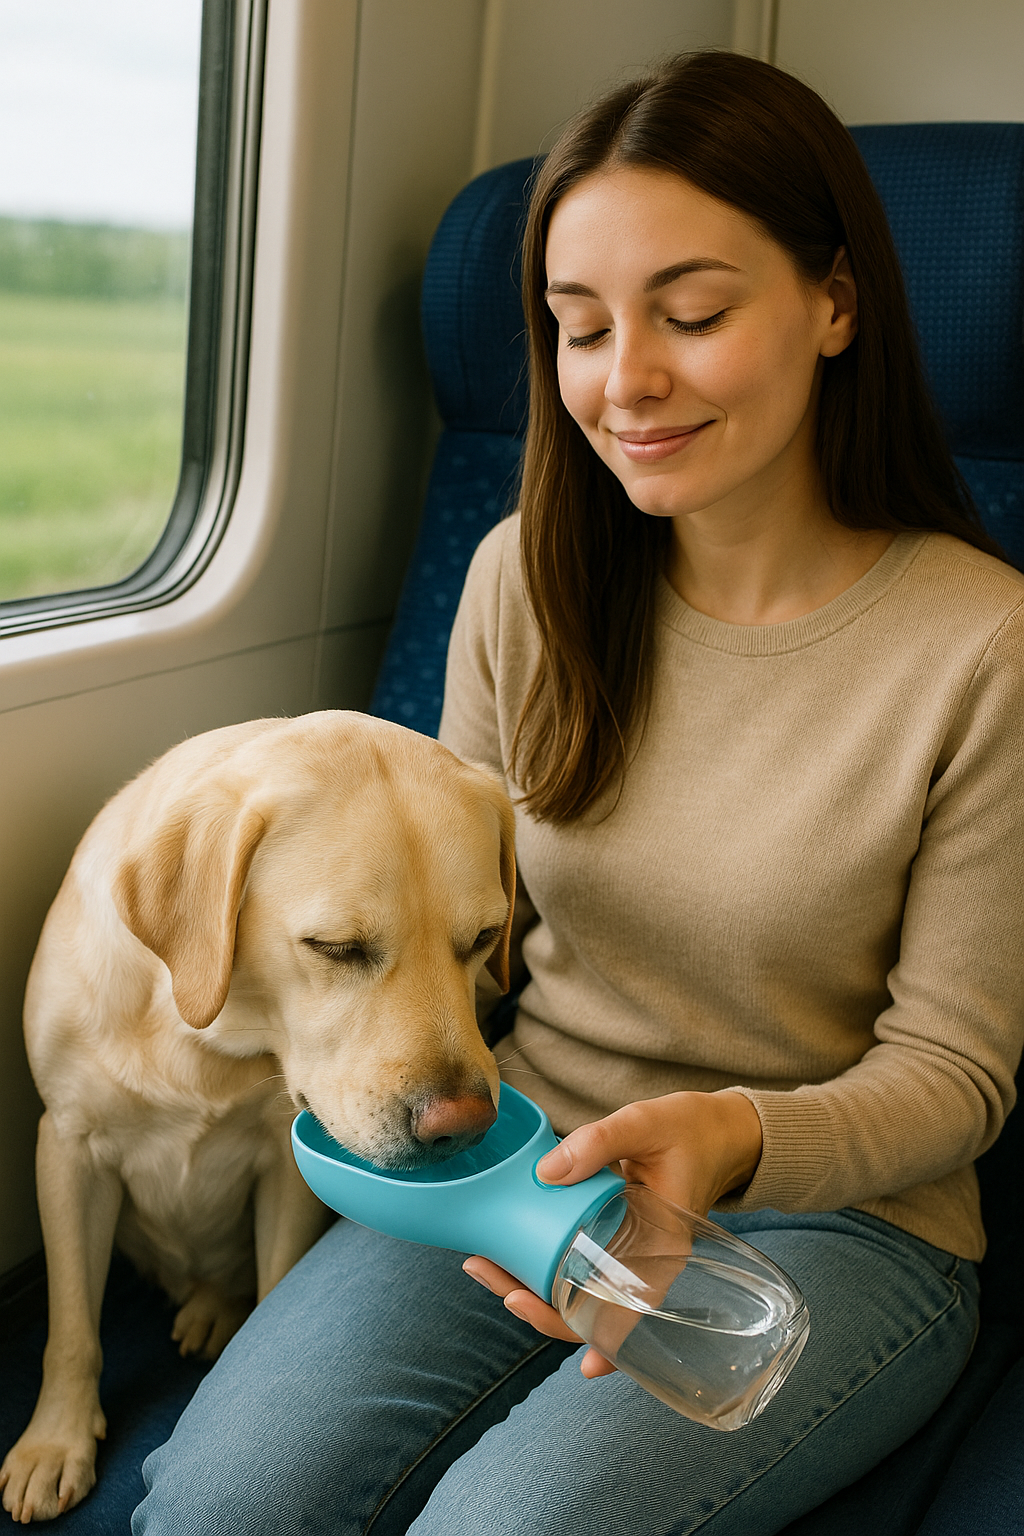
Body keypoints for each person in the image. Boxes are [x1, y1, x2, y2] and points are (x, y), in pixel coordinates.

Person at [132, 50, 1024, 1536]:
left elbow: (959, 1075)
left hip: (841, 1221)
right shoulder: (521, 583)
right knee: (219, 1505)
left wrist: (729, 1138)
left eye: (693, 314)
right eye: (579, 327)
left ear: (835, 302)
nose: (628, 381)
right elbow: (461, 948)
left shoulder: (984, 648)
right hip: (521, 1159)